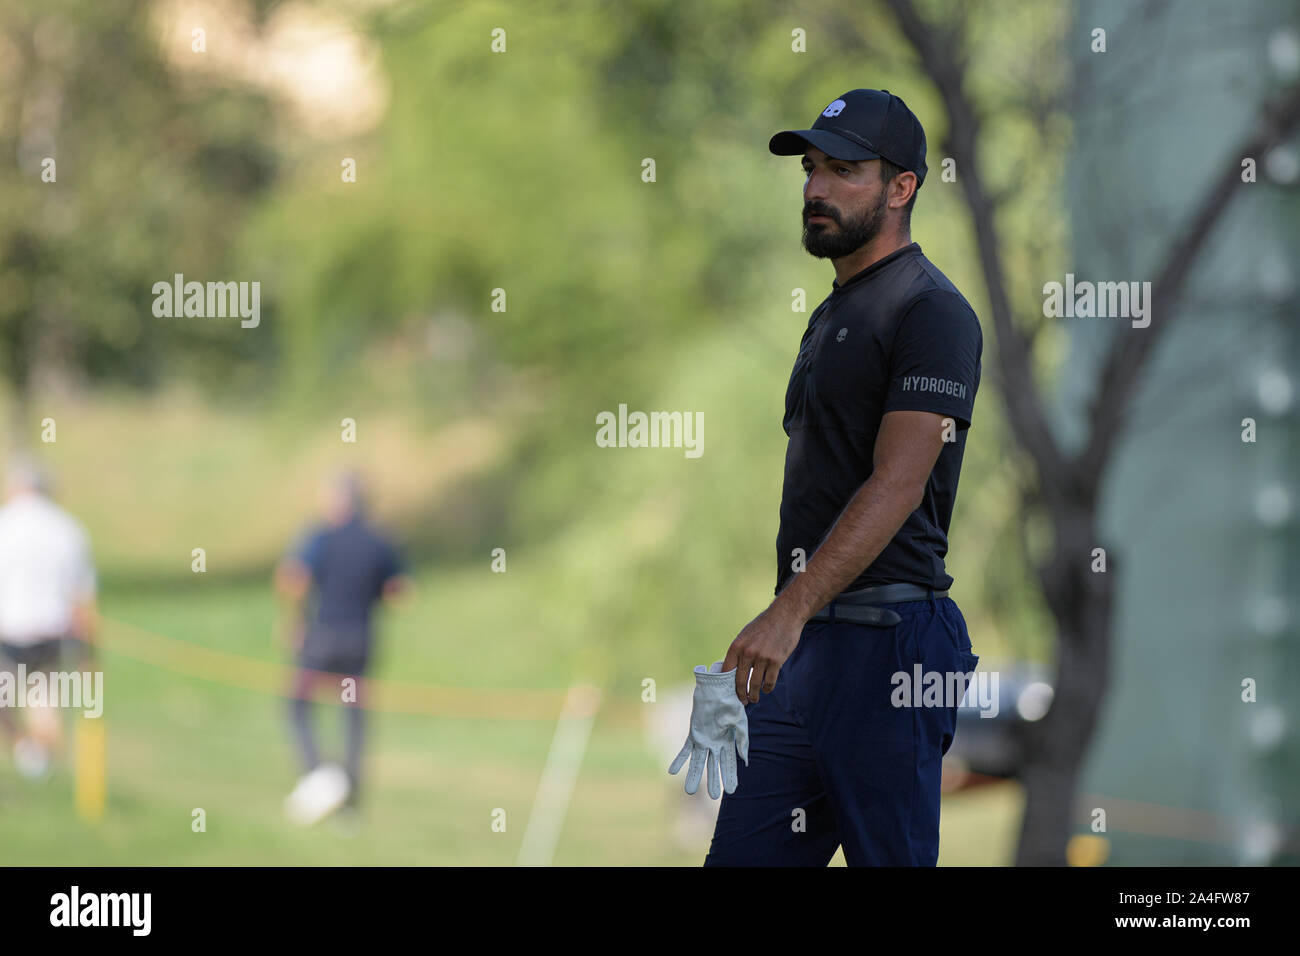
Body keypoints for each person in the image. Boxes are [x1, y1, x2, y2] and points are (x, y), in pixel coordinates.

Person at [703, 89, 983, 865]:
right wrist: (785, 632)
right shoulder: (834, 309)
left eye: (844, 170)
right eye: (812, 168)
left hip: (891, 649)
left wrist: (784, 614)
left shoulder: (932, 313)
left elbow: (896, 484)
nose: (816, 188)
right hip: (810, 650)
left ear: (902, 187)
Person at [273, 469, 410, 825]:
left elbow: (293, 578)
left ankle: (319, 775)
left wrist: (294, 619)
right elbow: (399, 593)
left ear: (338, 499)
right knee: (352, 718)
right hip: (359, 643)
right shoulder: (381, 540)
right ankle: (348, 804)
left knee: (297, 705)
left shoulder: (321, 537)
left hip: (322, 640)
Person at [0, 455, 98, 779]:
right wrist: (89, 654)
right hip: (49, 633)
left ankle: (25, 754)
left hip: (8, 632)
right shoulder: (68, 529)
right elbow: (82, 598)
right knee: (43, 702)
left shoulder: (5, 523)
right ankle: (37, 762)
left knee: (5, 702)